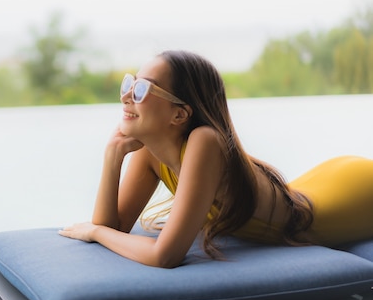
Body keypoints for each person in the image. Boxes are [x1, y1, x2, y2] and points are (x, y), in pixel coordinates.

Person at [59, 50, 373, 268]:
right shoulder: (149, 152)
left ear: (179, 114)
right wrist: (112, 156)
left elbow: (163, 256)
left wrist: (96, 232)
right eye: (130, 83)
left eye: (142, 89)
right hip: (316, 183)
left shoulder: (205, 140)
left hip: (349, 198)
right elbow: (113, 226)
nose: (126, 95)